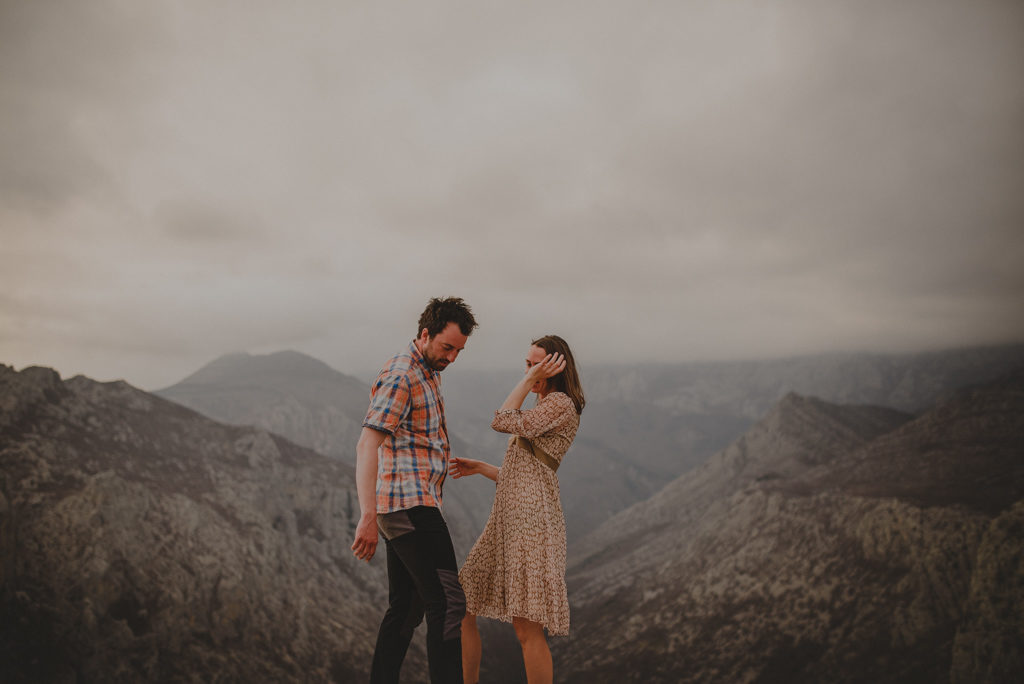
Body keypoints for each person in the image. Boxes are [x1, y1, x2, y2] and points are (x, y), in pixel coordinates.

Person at [352, 296, 478, 684]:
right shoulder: (403, 374)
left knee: (407, 607)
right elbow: (366, 444)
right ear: (425, 334)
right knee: (449, 602)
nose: (452, 358)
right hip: (409, 505)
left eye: (458, 351)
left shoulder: (428, 369)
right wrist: (368, 515)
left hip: (408, 504)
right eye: (447, 347)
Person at [449, 335, 585, 684]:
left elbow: (501, 419)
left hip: (531, 522)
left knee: (527, 629)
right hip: (510, 518)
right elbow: (524, 474)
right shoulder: (545, 405)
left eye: (534, 363)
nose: (528, 369)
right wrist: (482, 467)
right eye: (526, 363)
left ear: (553, 366)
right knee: (463, 601)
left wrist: (525, 381)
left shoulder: (560, 405)